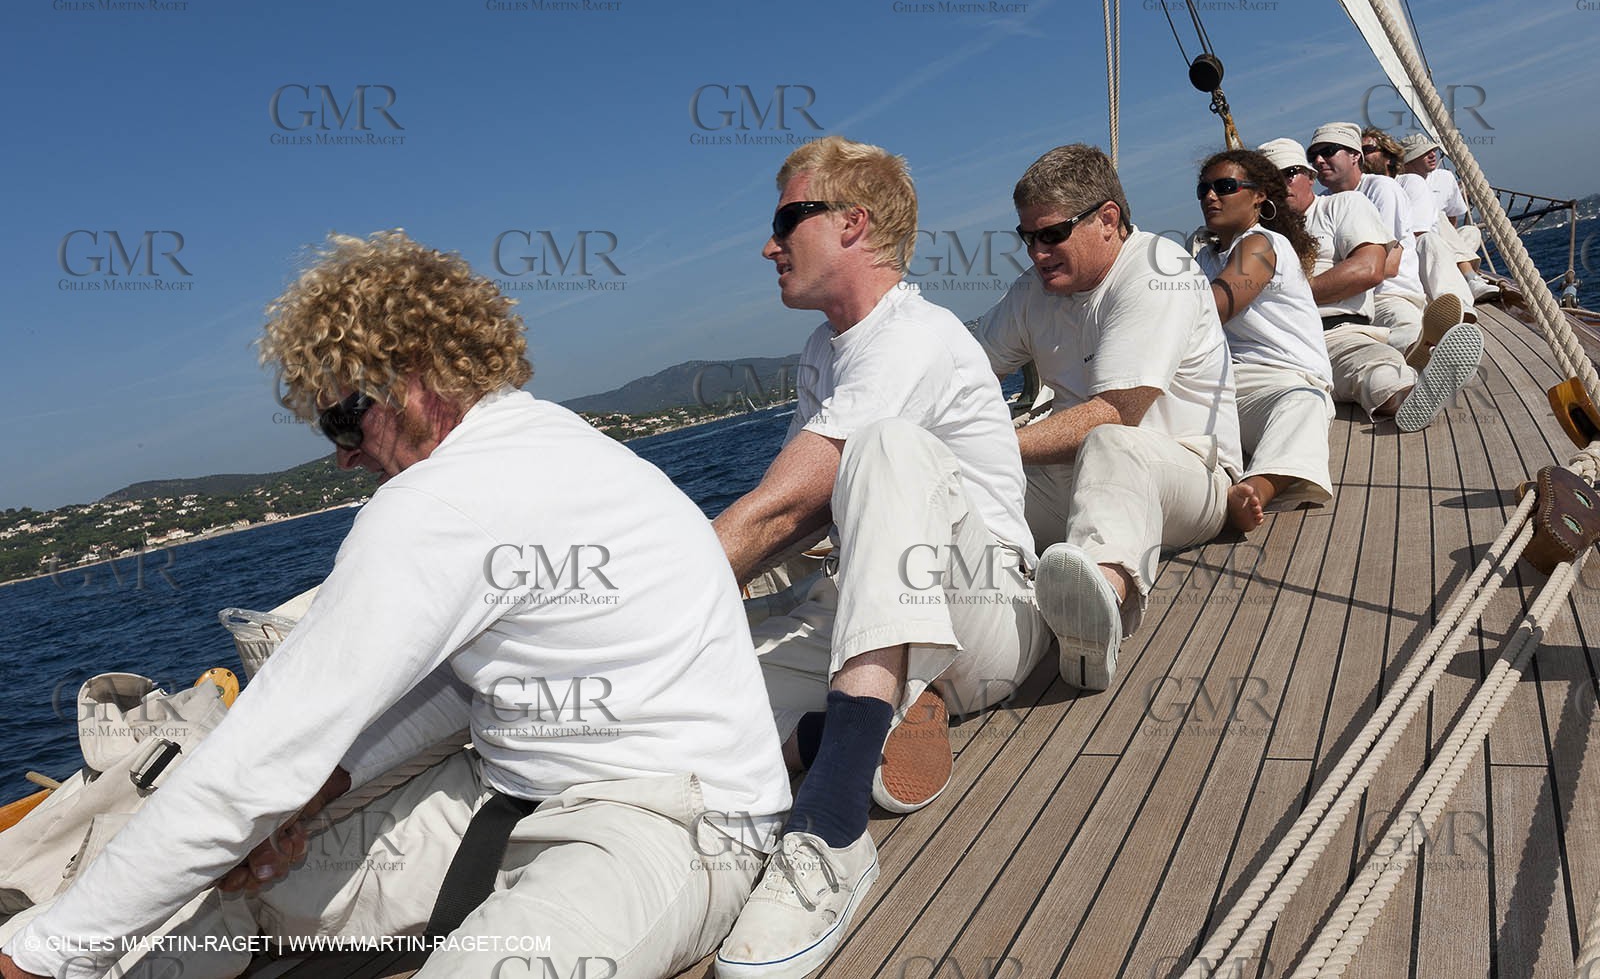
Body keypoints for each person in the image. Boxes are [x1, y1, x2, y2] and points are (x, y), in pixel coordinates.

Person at [0, 231, 791, 979]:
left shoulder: (438, 502)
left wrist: (37, 954)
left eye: (344, 417)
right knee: (244, 894)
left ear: (417, 376)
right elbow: (450, 689)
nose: (341, 453)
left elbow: (260, 757)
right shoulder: (540, 437)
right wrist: (310, 795)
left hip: (671, 823)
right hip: (508, 795)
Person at [711, 137, 1048, 979]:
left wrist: (654, 594)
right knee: (700, 704)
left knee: (887, 449)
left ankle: (831, 828)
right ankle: (854, 726)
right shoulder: (824, 354)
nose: (768, 244)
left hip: (986, 615)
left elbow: (786, 505)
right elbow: (781, 514)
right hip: (877, 618)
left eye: (788, 218)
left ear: (853, 224)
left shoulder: (916, 337)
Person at [973, 144, 1241, 695]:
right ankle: (982, 628)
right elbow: (962, 368)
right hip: (1080, 482)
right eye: (1027, 237)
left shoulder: (1156, 270)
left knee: (1110, 441)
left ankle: (1101, 605)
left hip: (1189, 474)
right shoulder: (1033, 294)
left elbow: (1118, 412)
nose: (1037, 252)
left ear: (1108, 220)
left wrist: (991, 444)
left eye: (1051, 234)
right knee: (960, 491)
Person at [1260, 138, 1484, 434]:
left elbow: (1368, 270)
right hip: (1277, 352)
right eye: (1268, 182)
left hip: (1340, 334)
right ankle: (1425, 361)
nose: (1280, 186)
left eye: (1288, 174)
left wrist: (1283, 296)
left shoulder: (1344, 204)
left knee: (1382, 378)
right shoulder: (1256, 235)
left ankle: (1423, 378)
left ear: (1309, 177)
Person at [1193, 149, 1333, 533]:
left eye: (1224, 186)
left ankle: (1255, 489)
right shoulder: (1203, 259)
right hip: (1220, 386)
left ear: (1258, 196)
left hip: (1282, 381)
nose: (1210, 196)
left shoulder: (1262, 245)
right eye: (1203, 189)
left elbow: (1218, 306)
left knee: (1306, 407)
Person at [1308, 122, 1432, 352]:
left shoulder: (1380, 189)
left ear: (1355, 155)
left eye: (1328, 151)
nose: (1318, 161)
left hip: (1388, 296)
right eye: (1312, 155)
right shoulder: (1320, 203)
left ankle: (1432, 356)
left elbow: (1388, 264)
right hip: (1344, 304)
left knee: (1408, 338)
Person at [1363, 127, 1477, 316]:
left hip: (1415, 255)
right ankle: (1465, 277)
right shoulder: (1356, 194)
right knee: (1438, 233)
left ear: (1388, 156)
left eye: (1367, 150)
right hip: (1405, 264)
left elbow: (1419, 234)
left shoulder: (1409, 182)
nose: (1360, 156)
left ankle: (1457, 305)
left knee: (1433, 239)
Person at [1399, 132, 1498, 302]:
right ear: (1408, 161)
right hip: (1419, 248)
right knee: (1440, 216)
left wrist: (1445, 247)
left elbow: (1454, 219)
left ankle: (1457, 271)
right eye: (1423, 153)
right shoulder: (1399, 183)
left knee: (1472, 232)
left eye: (1433, 150)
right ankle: (1470, 278)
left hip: (1443, 242)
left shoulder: (1445, 177)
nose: (1432, 155)